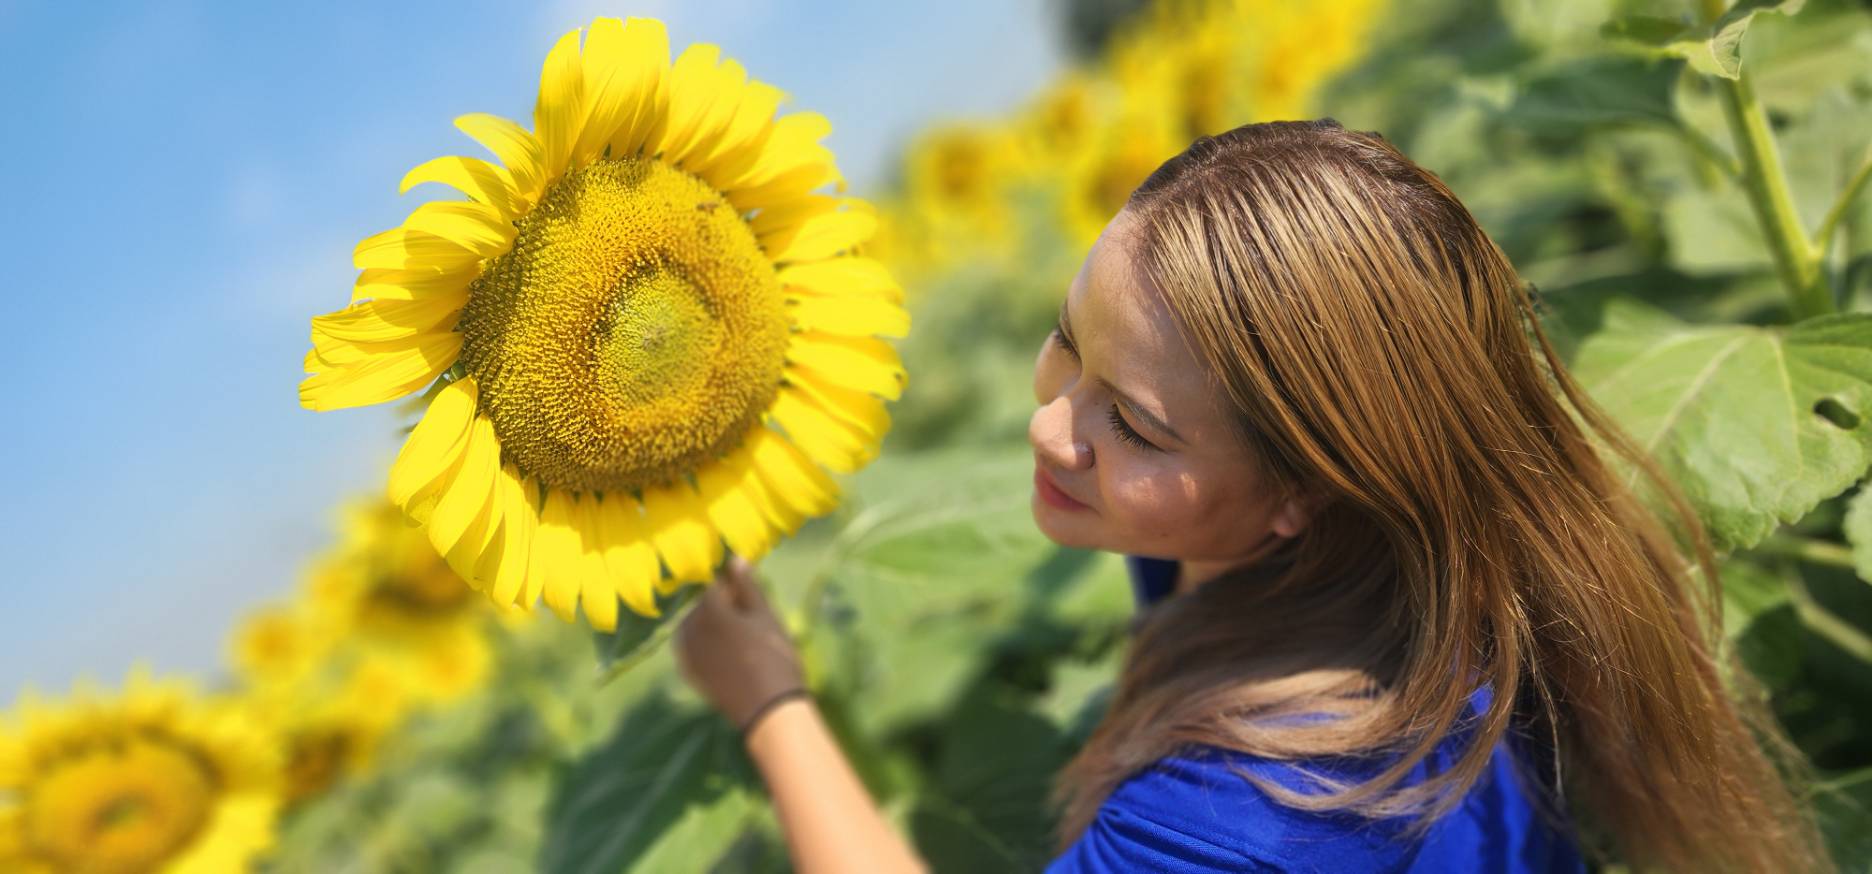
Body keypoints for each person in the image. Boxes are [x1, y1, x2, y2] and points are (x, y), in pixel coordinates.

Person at [673, 119, 1830, 873]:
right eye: (1064, 340)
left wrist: (771, 700)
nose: (1047, 423)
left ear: (1306, 492)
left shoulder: (1253, 814)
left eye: (1130, 422)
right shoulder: (1436, 582)